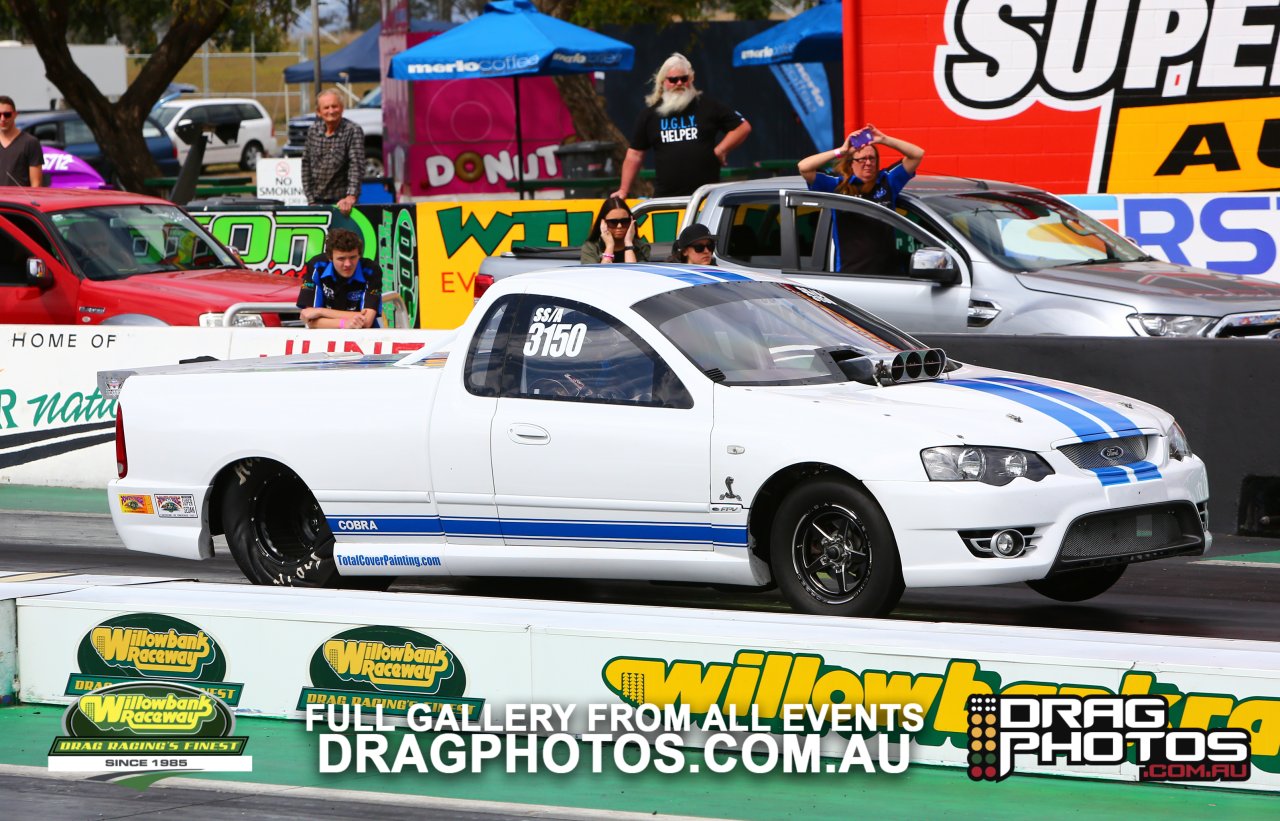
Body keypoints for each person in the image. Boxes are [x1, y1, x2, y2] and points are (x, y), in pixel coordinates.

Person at [612, 53, 751, 200]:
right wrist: (623, 190)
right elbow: (635, 154)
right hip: (665, 199)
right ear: (663, 82)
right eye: (673, 80)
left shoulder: (708, 107)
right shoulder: (649, 115)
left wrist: (721, 150)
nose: (679, 83)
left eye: (684, 79)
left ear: (691, 79)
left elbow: (743, 127)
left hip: (706, 198)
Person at [797, 124, 924, 274]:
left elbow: (917, 154)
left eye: (872, 158)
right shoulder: (836, 186)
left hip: (890, 276)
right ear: (851, 163)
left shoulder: (887, 181)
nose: (868, 163)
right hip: (852, 276)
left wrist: (883, 139)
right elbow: (804, 167)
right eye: (862, 159)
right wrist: (841, 151)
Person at [297, 228, 383, 329]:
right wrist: (344, 324)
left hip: (364, 336)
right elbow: (310, 320)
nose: (348, 264)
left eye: (352, 257)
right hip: (323, 336)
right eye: (341, 259)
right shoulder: (317, 265)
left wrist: (320, 311)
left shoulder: (371, 270)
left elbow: (366, 321)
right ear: (330, 258)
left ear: (359, 255)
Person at [301, 89, 365, 216]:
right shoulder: (313, 131)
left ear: (342, 108)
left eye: (334, 106)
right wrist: (311, 199)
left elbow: (356, 165)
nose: (331, 111)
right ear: (319, 112)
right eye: (326, 107)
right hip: (317, 201)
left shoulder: (353, 130)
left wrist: (350, 197)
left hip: (343, 203)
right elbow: (306, 165)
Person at [581, 197, 650, 264]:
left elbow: (634, 274)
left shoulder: (642, 248)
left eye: (624, 221)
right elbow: (600, 275)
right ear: (602, 223)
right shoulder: (591, 248)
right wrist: (610, 246)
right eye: (613, 222)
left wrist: (628, 245)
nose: (619, 226)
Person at [0, 96, 42, 187]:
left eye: (7, 114)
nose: (2, 119)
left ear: (15, 114)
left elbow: (36, 184)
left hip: (18, 200)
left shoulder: (30, 142)